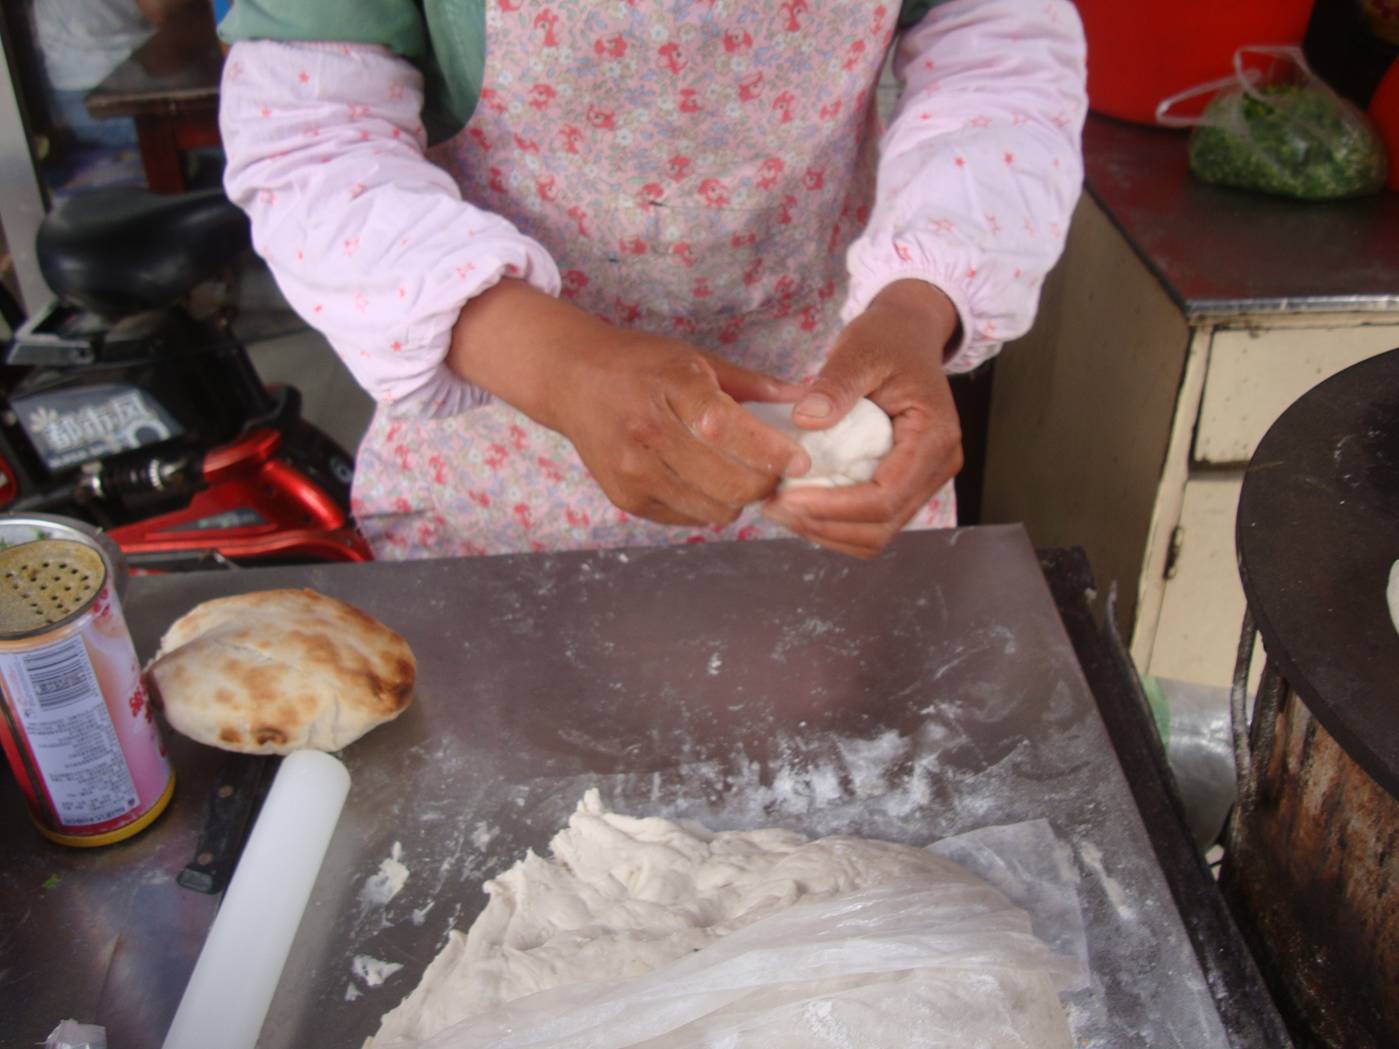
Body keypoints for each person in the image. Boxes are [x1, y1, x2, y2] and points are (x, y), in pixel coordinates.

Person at [218, 0, 1087, 559]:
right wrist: (559, 367)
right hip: (502, 454)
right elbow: (313, 140)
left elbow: (999, 53)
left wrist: (920, 298)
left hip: (822, 436)